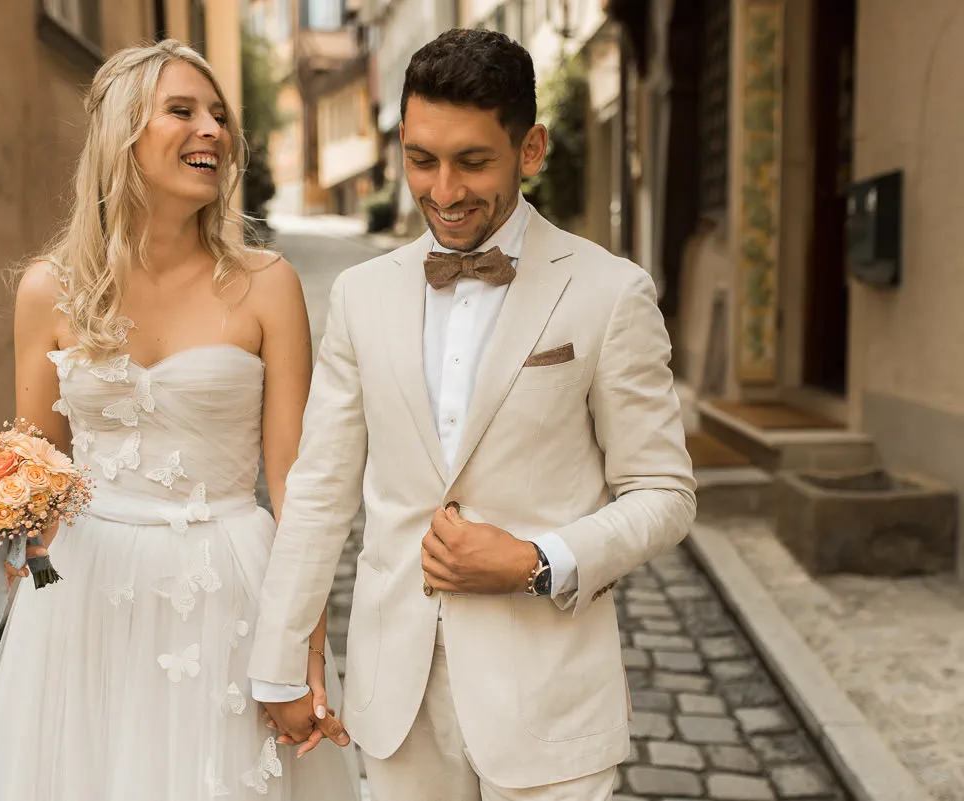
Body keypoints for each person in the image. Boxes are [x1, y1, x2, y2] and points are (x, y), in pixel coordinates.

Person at [248, 28, 696, 801]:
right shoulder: (362, 294)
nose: (444, 190)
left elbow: (664, 493)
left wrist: (535, 558)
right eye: (421, 159)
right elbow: (320, 488)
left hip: (550, 696)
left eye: (473, 161)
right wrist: (282, 659)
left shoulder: (608, 292)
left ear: (530, 150)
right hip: (398, 696)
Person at [0, 39, 357, 801]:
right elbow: (35, 467)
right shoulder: (49, 290)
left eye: (219, 115)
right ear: (122, 135)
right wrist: (18, 549)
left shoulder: (267, 285)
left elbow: (299, 486)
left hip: (229, 587)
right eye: (182, 111)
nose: (212, 129)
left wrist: (301, 648)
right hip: (86, 594)